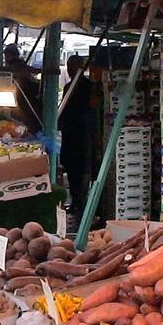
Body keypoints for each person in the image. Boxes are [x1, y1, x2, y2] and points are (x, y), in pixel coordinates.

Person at [58, 55, 93, 215]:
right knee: (74, 169)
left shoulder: (87, 87)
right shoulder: (69, 87)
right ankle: (76, 200)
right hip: (72, 135)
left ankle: (80, 201)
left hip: (81, 135)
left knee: (80, 170)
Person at [4, 44, 42, 133]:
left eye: (6, 55)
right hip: (23, 101)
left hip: (24, 100)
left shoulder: (16, 66)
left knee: (27, 122)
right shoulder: (19, 66)